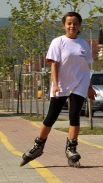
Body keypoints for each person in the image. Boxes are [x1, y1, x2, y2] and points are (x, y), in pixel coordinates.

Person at [20, 11, 96, 168]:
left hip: (80, 83)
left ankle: (71, 149)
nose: (72, 26)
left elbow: (85, 67)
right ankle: (38, 146)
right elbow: (54, 64)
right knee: (51, 117)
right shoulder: (58, 42)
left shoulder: (83, 44)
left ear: (79, 26)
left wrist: (89, 87)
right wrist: (55, 84)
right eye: (69, 23)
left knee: (74, 115)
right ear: (64, 25)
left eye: (75, 23)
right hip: (61, 84)